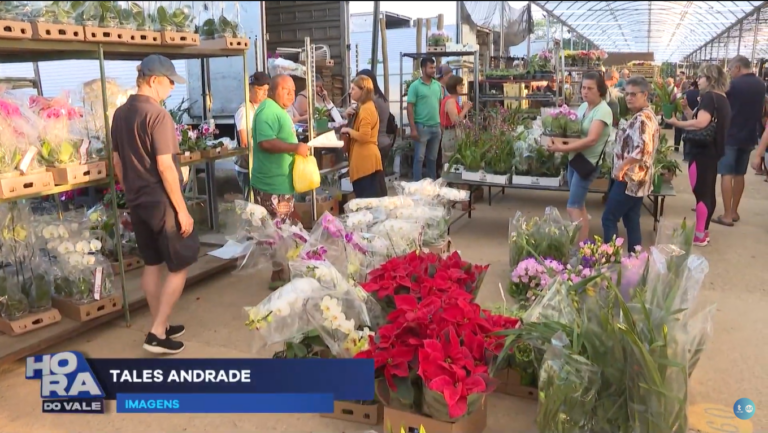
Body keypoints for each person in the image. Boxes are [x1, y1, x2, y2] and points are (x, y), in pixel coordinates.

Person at [111, 55, 198, 354]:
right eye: (169, 81)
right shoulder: (158, 116)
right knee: (182, 262)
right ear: (152, 80)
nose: (173, 87)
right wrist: (182, 210)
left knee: (152, 263)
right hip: (161, 201)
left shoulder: (120, 114)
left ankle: (159, 321)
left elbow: (117, 161)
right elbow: (165, 167)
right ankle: (157, 332)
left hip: (137, 200)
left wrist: (131, 189)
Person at [251, 74, 310, 287]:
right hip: (271, 185)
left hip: (281, 183)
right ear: (273, 90)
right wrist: (295, 147)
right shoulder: (267, 111)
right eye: (286, 90)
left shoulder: (277, 110)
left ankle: (281, 272)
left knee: (282, 230)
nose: (291, 94)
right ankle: (280, 273)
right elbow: (265, 143)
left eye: (293, 90)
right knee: (277, 231)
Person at [665, 64, 731, 246]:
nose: (698, 81)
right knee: (708, 191)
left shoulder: (710, 97)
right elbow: (702, 121)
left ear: (710, 79)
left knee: (701, 193)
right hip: (713, 152)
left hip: (701, 151)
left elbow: (701, 123)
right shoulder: (722, 99)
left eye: (700, 77)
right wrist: (687, 110)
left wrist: (676, 123)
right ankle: (704, 231)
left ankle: (699, 234)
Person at [546, 72, 613, 243]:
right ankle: (584, 246)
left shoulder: (603, 111)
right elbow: (575, 135)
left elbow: (591, 140)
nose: (585, 91)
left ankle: (580, 247)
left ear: (600, 91)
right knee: (580, 205)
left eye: (590, 88)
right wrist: (557, 140)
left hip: (587, 164)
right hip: (574, 161)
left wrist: (561, 147)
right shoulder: (583, 107)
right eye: (583, 87)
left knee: (572, 207)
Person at [602, 76, 659, 251]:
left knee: (609, 218)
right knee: (631, 219)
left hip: (629, 179)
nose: (629, 98)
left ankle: (610, 259)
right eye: (627, 94)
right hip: (639, 180)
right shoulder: (648, 116)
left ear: (645, 95)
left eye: (633, 94)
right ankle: (635, 260)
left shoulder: (641, 119)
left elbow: (642, 150)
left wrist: (622, 167)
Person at [712, 55, 764, 227]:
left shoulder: (733, 85)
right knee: (740, 174)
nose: (730, 73)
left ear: (738, 68)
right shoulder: (760, 84)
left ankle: (726, 215)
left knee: (726, 173)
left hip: (730, 134)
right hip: (749, 135)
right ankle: (734, 211)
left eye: (731, 70)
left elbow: (720, 102)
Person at [340, 76, 387, 198]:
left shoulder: (366, 109)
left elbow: (364, 136)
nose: (350, 92)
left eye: (353, 89)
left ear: (363, 90)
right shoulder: (366, 106)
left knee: (367, 201)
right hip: (367, 160)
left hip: (366, 163)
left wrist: (348, 130)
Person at [234, 72, 270, 198]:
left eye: (266, 89)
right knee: (252, 206)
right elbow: (244, 143)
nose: (265, 93)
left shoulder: (263, 108)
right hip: (248, 167)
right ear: (249, 90)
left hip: (260, 166)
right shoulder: (244, 111)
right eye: (260, 89)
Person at [440, 75, 473, 211]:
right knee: (453, 166)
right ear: (454, 87)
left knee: (459, 166)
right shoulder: (450, 102)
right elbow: (455, 121)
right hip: (452, 135)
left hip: (453, 134)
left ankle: (461, 200)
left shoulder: (451, 100)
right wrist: (465, 109)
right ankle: (450, 199)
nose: (462, 88)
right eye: (460, 86)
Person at [407, 57, 443, 181]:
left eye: (434, 67)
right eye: (431, 68)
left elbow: (439, 105)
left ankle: (432, 184)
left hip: (436, 127)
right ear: (423, 69)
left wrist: (440, 125)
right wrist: (413, 129)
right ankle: (417, 185)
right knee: (419, 158)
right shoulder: (415, 86)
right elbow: (410, 107)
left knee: (433, 158)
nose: (433, 70)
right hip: (422, 127)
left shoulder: (438, 85)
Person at [348, 69, 393, 163]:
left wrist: (348, 130)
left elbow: (364, 135)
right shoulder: (380, 98)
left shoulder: (370, 103)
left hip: (376, 144)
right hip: (383, 142)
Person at [673, 80, 690, 153]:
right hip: (685, 115)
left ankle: (676, 147)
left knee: (677, 132)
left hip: (678, 114)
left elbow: (673, 102)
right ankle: (685, 151)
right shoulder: (688, 95)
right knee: (685, 133)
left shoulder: (678, 94)